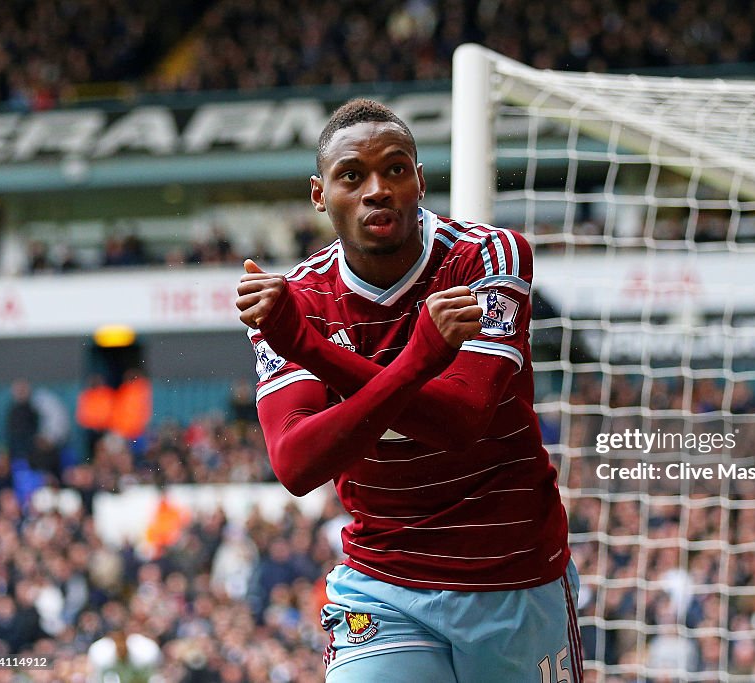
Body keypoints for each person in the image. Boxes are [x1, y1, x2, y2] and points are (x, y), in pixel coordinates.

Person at [236, 98, 582, 682]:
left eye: (395, 169)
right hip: (384, 584)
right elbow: (296, 464)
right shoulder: (296, 299)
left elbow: (461, 421)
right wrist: (416, 360)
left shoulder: (487, 259)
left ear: (419, 182)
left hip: (514, 575)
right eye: (353, 175)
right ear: (320, 195)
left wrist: (314, 350)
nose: (377, 189)